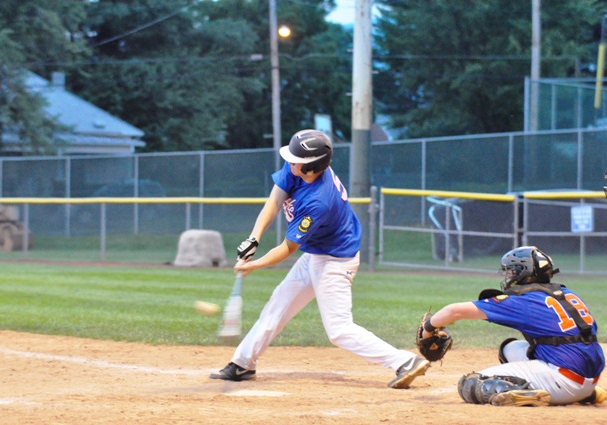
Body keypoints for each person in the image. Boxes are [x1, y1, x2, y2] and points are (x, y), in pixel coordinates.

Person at [209, 129, 430, 388]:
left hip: (335, 261)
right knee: (277, 305)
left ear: (312, 167)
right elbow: (275, 199)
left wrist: (255, 265)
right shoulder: (299, 167)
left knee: (338, 330)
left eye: (296, 161)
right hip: (316, 253)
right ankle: (243, 364)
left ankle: (404, 362)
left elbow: (287, 248)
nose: (291, 163)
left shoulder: (318, 202)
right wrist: (253, 238)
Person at [419, 246, 605, 406]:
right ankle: (587, 393)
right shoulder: (567, 293)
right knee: (508, 348)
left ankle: (528, 393)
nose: (509, 276)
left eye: (512, 271)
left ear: (524, 272)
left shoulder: (523, 301)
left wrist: (428, 328)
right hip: (590, 377)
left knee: (470, 384)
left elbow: (454, 311)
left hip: (564, 381)